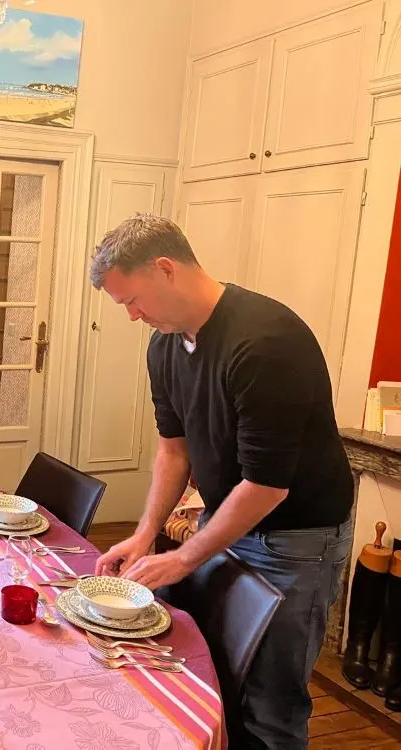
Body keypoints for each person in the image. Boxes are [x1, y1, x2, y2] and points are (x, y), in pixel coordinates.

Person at [89, 214, 353, 749]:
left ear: (165, 269)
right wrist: (146, 533)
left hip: (296, 537)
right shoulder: (164, 345)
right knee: (209, 674)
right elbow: (173, 448)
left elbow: (268, 485)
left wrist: (185, 557)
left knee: (272, 702)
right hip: (230, 517)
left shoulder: (266, 340)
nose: (132, 316)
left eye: (132, 301)